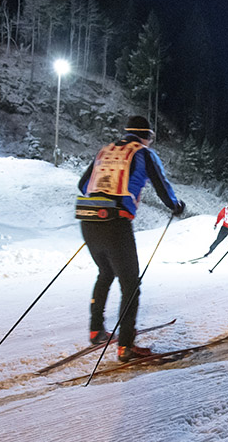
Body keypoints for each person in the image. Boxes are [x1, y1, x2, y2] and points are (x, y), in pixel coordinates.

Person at [77, 115, 185, 361]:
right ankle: (126, 346)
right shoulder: (143, 153)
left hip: (88, 220)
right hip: (115, 223)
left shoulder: (105, 151)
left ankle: (96, 331)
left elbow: (83, 185)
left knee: (105, 274)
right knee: (130, 285)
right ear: (146, 136)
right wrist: (176, 206)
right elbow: (162, 185)